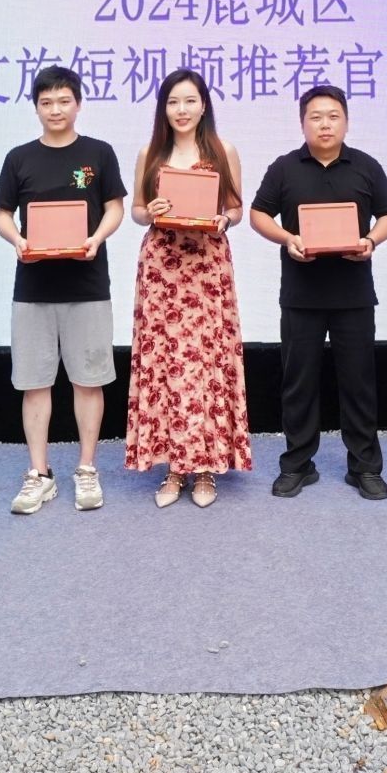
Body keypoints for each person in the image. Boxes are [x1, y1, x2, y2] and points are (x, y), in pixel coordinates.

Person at [250, 85, 387, 501]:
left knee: (359, 383)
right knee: (298, 383)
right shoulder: (285, 167)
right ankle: (297, 464)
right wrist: (287, 238)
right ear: (303, 123)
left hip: (354, 295)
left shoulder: (366, 166)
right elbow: (258, 213)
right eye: (315, 117)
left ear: (346, 121)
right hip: (301, 296)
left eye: (333, 116)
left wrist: (371, 240)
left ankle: (365, 467)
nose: (325, 124)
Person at [0, 65, 126, 515]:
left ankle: (87, 467)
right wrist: (17, 240)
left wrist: (97, 237)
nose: (55, 109)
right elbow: (1, 214)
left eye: (64, 101)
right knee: (34, 383)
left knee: (89, 380)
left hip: (88, 285)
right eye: (46, 102)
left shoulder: (99, 153)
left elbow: (114, 207)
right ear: (36, 107)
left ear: (78, 104)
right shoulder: (19, 157)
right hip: (33, 287)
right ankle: (39, 473)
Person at [125, 69, 251, 508]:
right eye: (173, 102)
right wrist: (150, 211)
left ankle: (205, 469)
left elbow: (236, 209)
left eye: (190, 101)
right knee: (166, 364)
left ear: (203, 105)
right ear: (163, 108)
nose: (181, 110)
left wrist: (223, 219)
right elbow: (136, 210)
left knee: (205, 363)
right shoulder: (150, 152)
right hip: (163, 268)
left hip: (207, 266)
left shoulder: (222, 150)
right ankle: (173, 469)